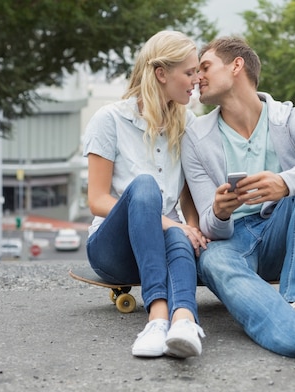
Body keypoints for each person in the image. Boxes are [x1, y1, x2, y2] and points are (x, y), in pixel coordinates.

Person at [181, 37, 295, 370]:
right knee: (212, 261)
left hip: (284, 233)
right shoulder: (195, 136)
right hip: (234, 241)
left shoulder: (288, 118)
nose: (197, 78)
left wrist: (286, 182)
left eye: (205, 67)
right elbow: (209, 225)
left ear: (236, 65)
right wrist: (220, 212)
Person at [83, 30, 207, 359]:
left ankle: (182, 322)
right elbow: (96, 200)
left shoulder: (188, 124)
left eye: (197, 71)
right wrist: (172, 224)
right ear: (161, 74)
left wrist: (190, 227)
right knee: (145, 186)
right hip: (113, 250)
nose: (196, 79)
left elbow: (187, 197)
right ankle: (156, 318)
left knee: (180, 237)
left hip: (162, 244)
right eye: (189, 72)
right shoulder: (109, 120)